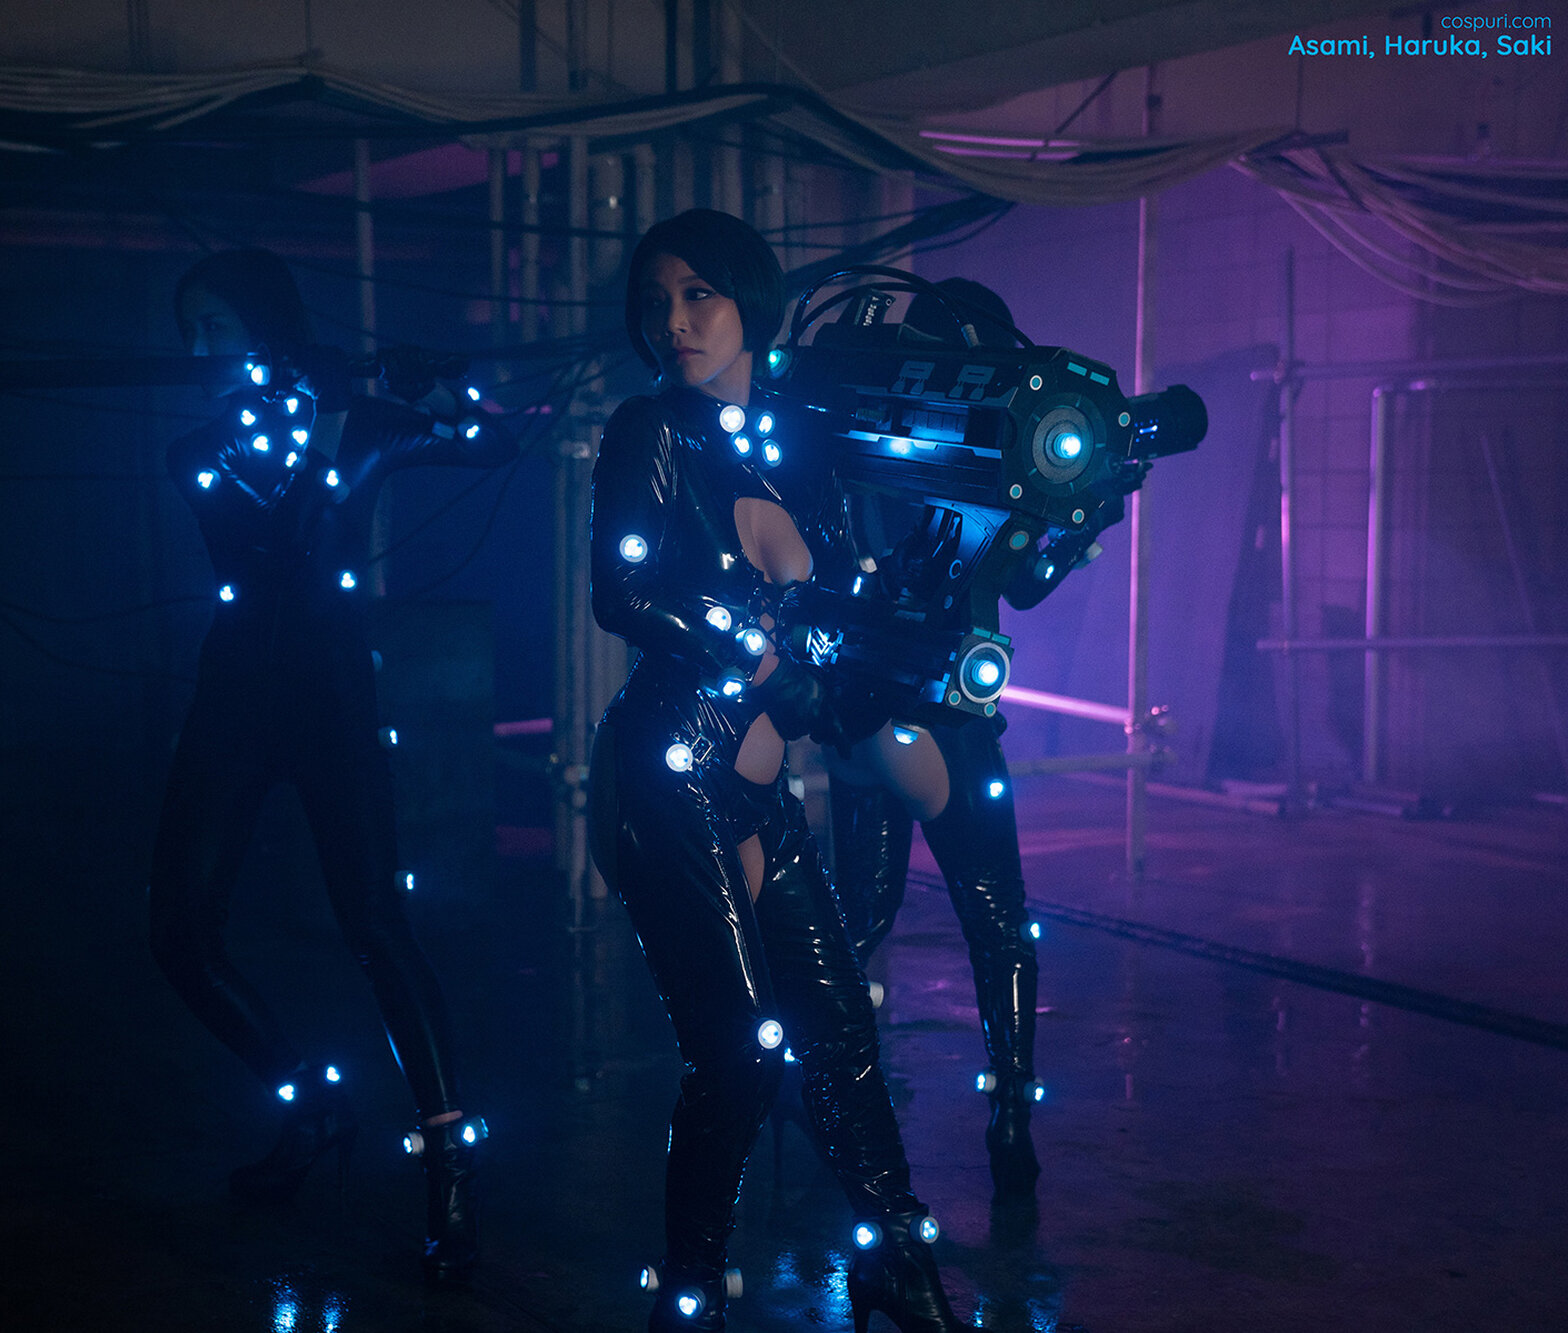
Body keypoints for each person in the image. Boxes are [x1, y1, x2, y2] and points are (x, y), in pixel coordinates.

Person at [588, 210, 970, 1333]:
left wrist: (892, 643)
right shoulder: (649, 431)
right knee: (739, 1051)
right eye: (657, 301)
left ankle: (898, 1259)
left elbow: (839, 625)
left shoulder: (796, 452)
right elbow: (621, 589)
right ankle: (690, 1292)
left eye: (697, 294)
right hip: (668, 776)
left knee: (842, 1030)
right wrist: (747, 648)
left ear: (747, 303)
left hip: (761, 790)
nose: (673, 321)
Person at [147, 248, 510, 1280]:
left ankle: (448, 1164)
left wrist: (431, 388)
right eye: (189, 331)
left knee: (375, 925)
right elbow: (279, 532)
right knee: (178, 929)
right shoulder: (198, 451)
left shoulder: (358, 423)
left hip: (333, 700)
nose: (198, 349)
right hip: (233, 699)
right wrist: (337, 415)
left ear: (264, 329)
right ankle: (310, 1103)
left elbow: (492, 442)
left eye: (215, 326)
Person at [824, 279, 1044, 1203]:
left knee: (855, 919)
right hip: (937, 719)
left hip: (867, 712)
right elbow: (1021, 582)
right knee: (995, 922)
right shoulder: (980, 449)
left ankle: (822, 1095)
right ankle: (1010, 1117)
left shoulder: (847, 436)